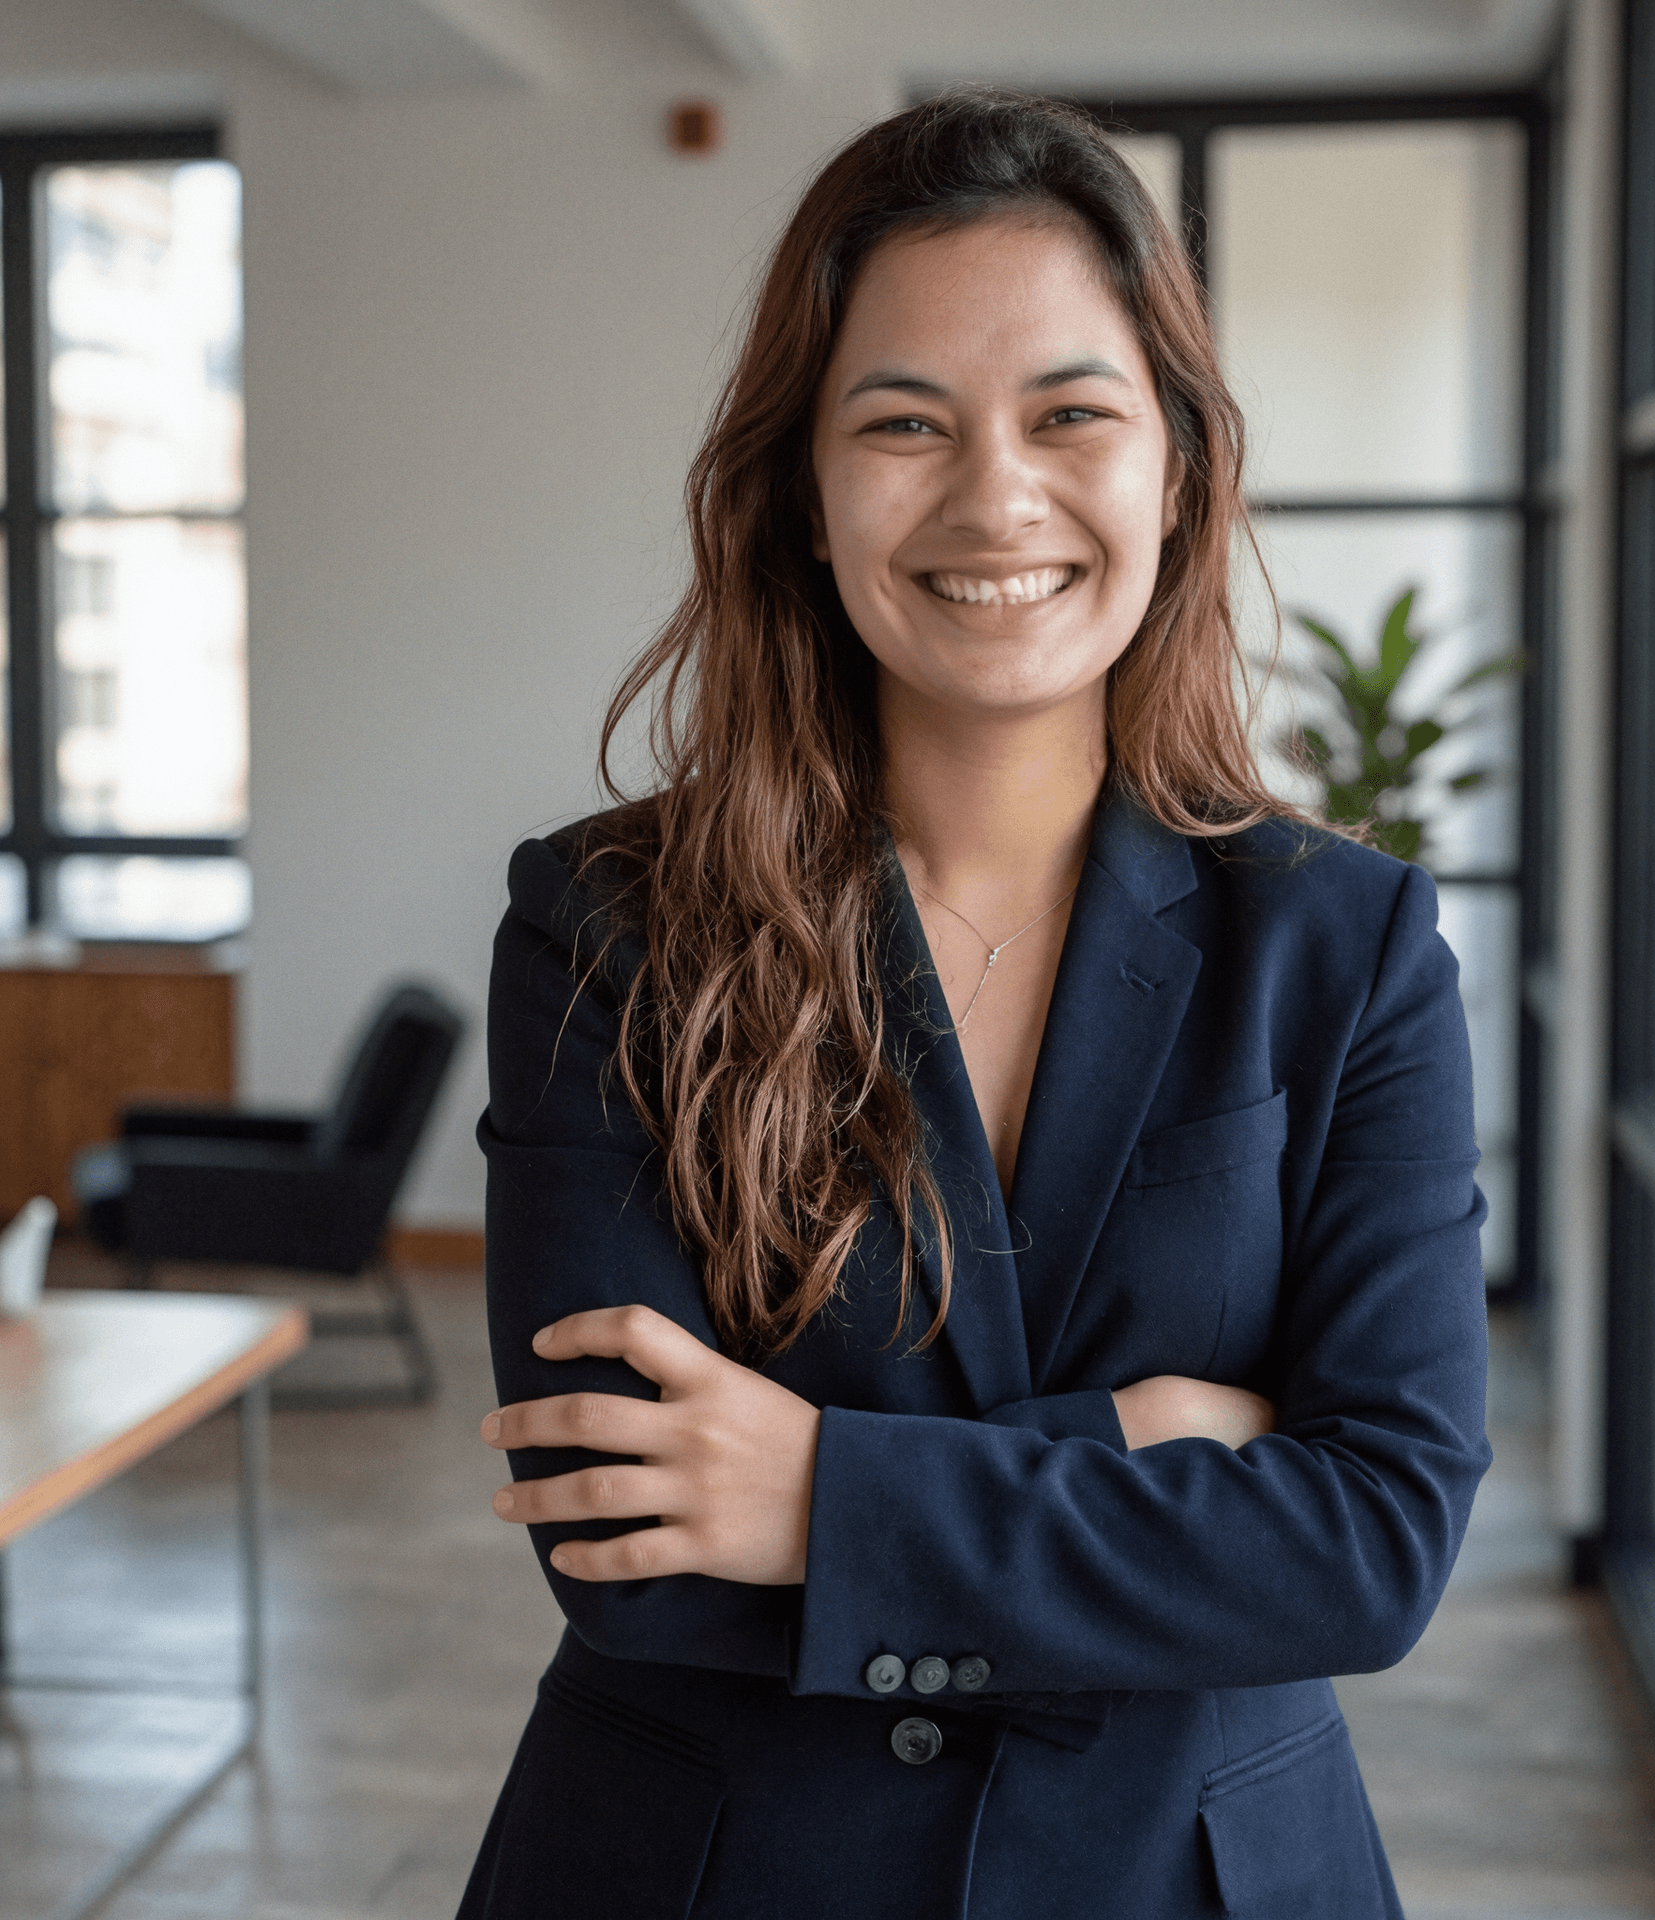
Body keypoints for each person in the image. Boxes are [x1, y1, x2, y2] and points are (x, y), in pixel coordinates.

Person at [458, 89, 1489, 1920]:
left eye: (1070, 413)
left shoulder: (1346, 944)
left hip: (1194, 1873)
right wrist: (1152, 1447)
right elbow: (629, 1542)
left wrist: (824, 1498)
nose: (994, 495)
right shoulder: (608, 923)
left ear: (1174, 459)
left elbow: (1377, 1544)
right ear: (804, 488)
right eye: (904, 423)